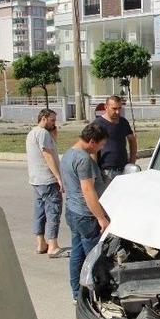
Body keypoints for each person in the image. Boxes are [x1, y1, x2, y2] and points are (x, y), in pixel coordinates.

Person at [61, 123, 110, 303]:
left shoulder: (68, 154)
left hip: (73, 212)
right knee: (94, 258)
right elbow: (88, 191)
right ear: (91, 141)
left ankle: (76, 293)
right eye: (101, 144)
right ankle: (97, 295)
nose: (102, 148)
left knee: (77, 253)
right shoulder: (83, 159)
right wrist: (100, 217)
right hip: (85, 216)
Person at [25, 109, 65, 257]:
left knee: (40, 212)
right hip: (47, 180)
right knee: (53, 211)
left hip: (36, 180)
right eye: (52, 120)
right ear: (43, 118)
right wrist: (58, 177)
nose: (54, 124)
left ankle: (41, 243)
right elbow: (47, 155)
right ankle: (52, 246)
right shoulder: (42, 133)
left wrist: (53, 134)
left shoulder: (33, 133)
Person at [93, 95, 137, 184]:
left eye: (119, 108)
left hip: (124, 169)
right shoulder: (97, 124)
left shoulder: (123, 122)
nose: (117, 112)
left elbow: (132, 140)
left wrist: (132, 162)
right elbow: (92, 149)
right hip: (106, 172)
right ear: (106, 107)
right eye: (114, 108)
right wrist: (95, 171)